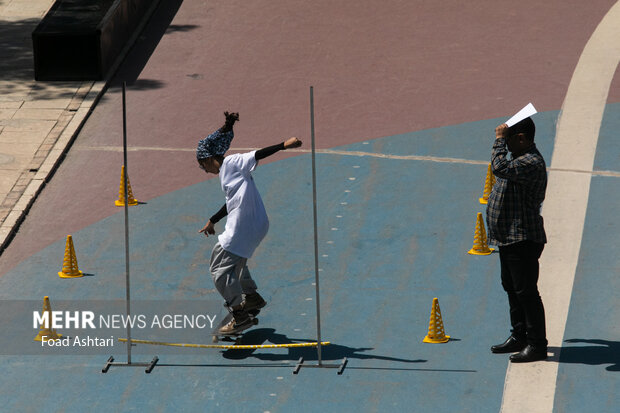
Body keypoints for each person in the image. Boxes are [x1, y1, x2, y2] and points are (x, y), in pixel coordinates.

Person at [196, 112, 302, 334]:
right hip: (256, 225)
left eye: (203, 166)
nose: (205, 171)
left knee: (219, 269)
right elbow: (231, 202)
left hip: (243, 227)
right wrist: (213, 220)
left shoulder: (232, 163)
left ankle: (240, 316)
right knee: (236, 264)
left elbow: (257, 154)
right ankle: (251, 298)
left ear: (207, 159)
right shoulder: (226, 174)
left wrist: (284, 145)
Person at [486, 117, 548, 363]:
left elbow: (498, 167)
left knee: (527, 292)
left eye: (510, 140)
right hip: (509, 238)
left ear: (521, 139)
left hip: (522, 237)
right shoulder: (519, 159)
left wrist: (499, 141)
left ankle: (537, 344)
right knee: (511, 287)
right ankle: (519, 334)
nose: (506, 145)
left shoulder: (530, 162)